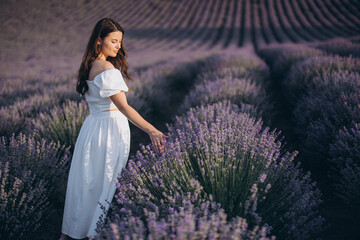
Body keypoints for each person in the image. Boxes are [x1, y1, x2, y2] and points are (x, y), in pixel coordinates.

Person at [59, 17, 168, 240]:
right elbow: (125, 109)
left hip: (91, 129)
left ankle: (73, 233)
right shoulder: (108, 69)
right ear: (99, 41)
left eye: (120, 42)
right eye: (114, 41)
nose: (118, 46)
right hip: (109, 131)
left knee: (87, 184)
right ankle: (94, 233)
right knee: (105, 184)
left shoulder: (88, 67)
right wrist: (152, 130)